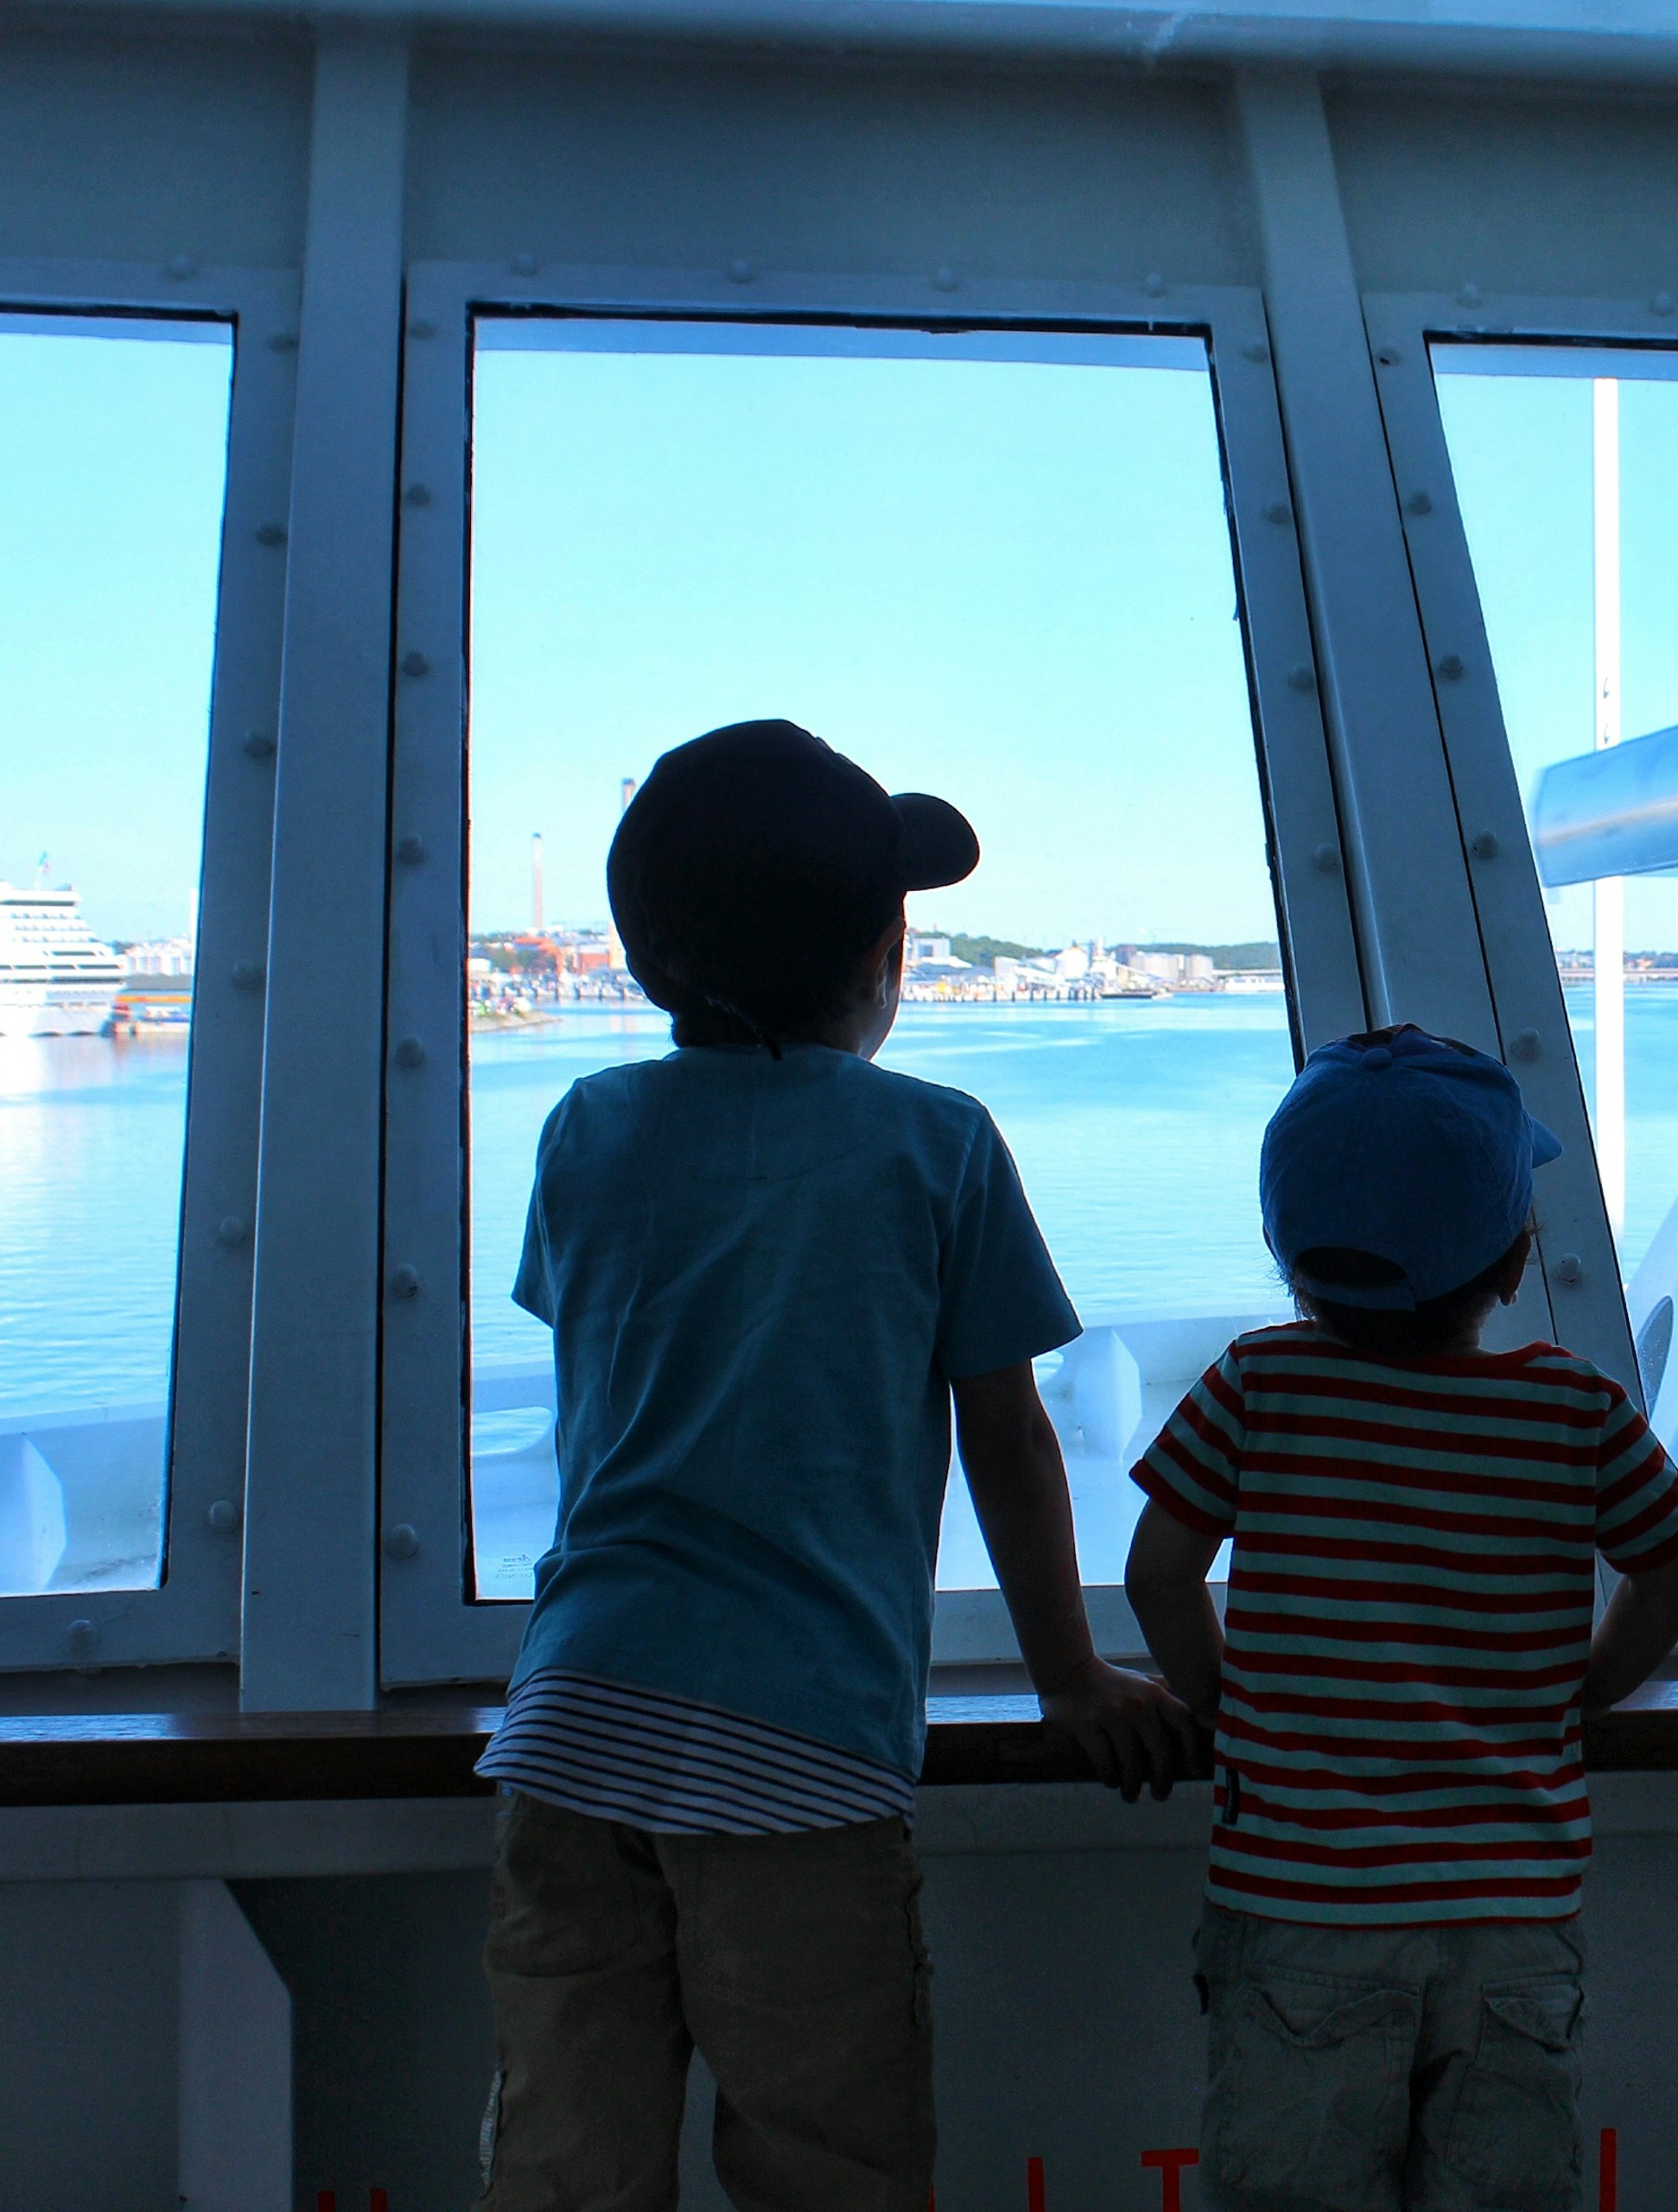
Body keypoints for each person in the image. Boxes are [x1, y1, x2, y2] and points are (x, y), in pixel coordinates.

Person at [473, 719, 1199, 2212]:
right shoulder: (935, 1145)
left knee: (566, 2161)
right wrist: (1069, 1678)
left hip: (570, 1719)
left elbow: (599, 1356)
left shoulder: (588, 1126)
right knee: (830, 2164)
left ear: (649, 956)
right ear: (883, 955)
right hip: (798, 1746)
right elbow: (1010, 1437)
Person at [1122, 1025, 1678, 2212]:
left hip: (1300, 1909)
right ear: (1511, 1264)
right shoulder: (1574, 1409)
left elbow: (1158, 1576)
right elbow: (1673, 1570)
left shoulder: (1258, 1385)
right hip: (1510, 1918)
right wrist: (1591, 1684)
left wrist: (1223, 1700)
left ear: (1288, 1253)